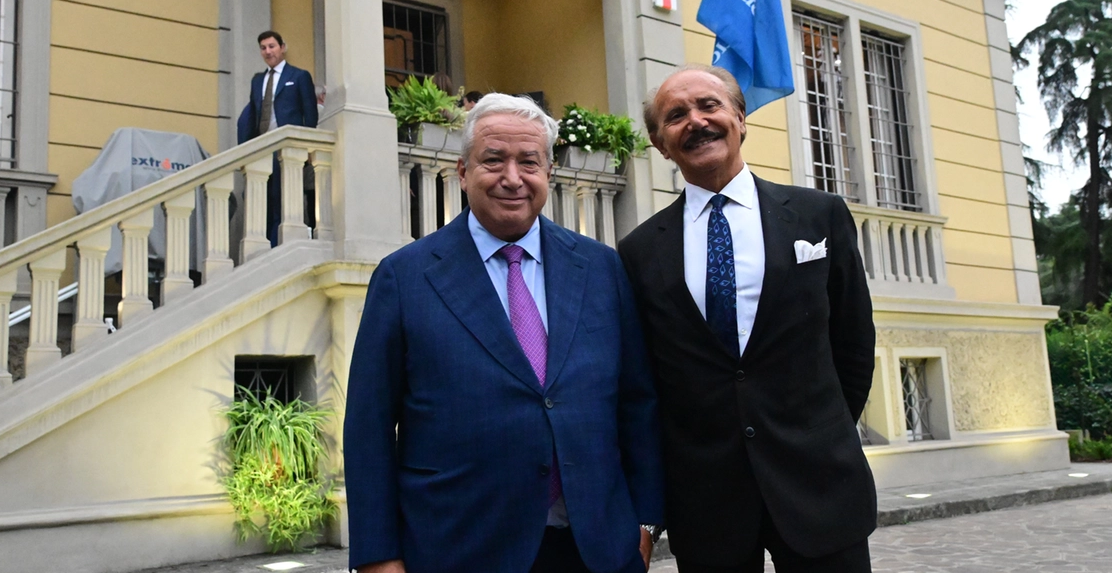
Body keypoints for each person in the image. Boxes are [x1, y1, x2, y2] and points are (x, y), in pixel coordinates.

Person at [345, 94, 665, 573]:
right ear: (462, 171)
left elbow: (637, 403)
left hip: (596, 549)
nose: (512, 178)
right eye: (493, 160)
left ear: (549, 173)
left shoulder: (601, 267)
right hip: (459, 546)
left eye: (528, 162)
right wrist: (378, 556)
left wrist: (644, 523)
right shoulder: (404, 277)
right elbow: (369, 427)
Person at [618, 64, 877, 573]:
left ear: (740, 117)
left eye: (709, 106)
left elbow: (853, 340)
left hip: (819, 484)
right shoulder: (639, 252)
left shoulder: (817, 215)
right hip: (707, 500)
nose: (696, 121)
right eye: (676, 116)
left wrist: (820, 432)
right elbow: (646, 379)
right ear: (659, 142)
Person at [236, 31, 318, 245]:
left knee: (281, 199)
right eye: (263, 48)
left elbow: (310, 114)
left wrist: (309, 148)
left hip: (287, 149)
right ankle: (262, 243)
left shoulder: (299, 76)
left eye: (272, 46)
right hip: (262, 147)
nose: (268, 51)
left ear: (282, 47)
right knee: (258, 198)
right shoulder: (257, 80)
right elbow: (253, 114)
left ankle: (277, 243)